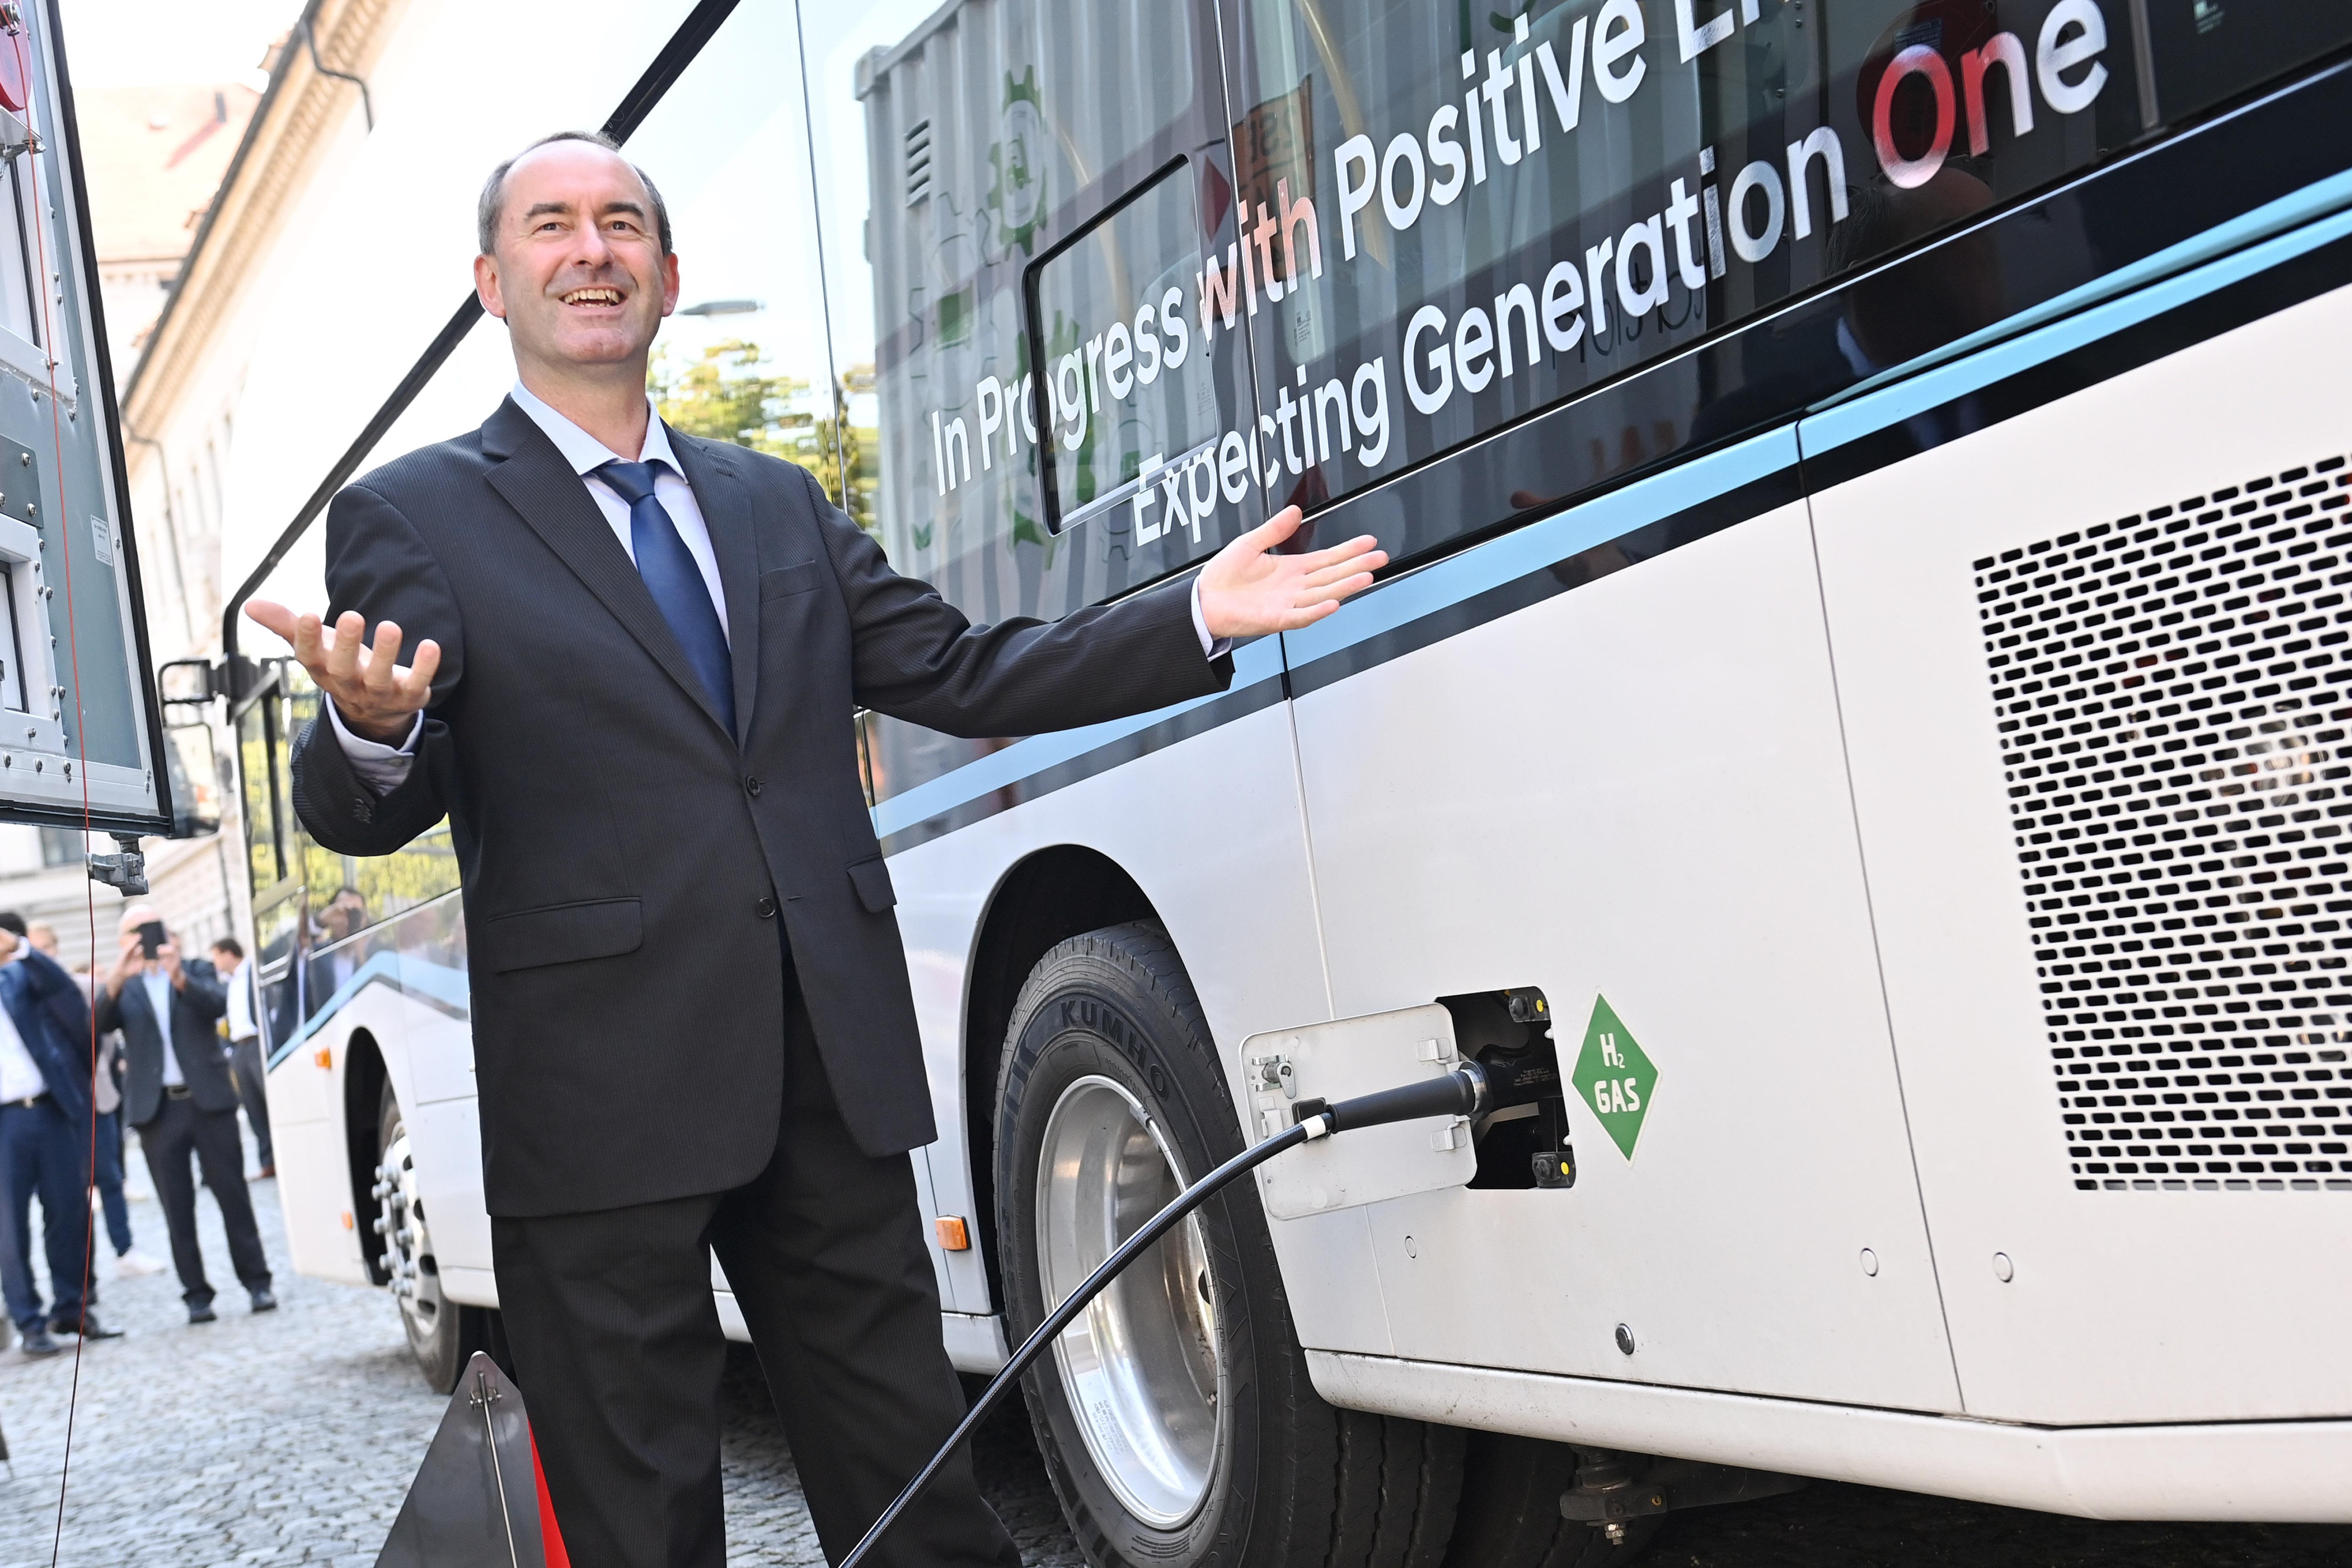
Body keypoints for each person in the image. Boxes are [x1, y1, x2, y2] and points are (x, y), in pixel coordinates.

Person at [246, 131, 1383, 1568]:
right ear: (493, 278)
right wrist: (366, 726)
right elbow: (369, 807)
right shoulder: (411, 513)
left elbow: (963, 670)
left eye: (619, 223)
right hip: (600, 1106)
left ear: (667, 276)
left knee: (918, 1498)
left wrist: (1194, 616)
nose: (588, 247)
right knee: (640, 1524)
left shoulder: (769, 499)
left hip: (823, 1081)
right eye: (550, 224)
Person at [95, 905, 276, 1323]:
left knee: (234, 1196)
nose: (146, 939)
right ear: (124, 941)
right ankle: (196, 1293)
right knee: (177, 1208)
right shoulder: (124, 984)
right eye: (134, 933)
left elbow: (217, 1005)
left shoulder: (195, 968)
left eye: (153, 930)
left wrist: (178, 976)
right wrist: (119, 975)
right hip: (158, 1111)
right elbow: (99, 1024)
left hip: (209, 1102)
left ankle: (257, 1281)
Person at [0, 911, 117, 1350]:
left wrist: (20, 946)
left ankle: (73, 1309)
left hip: (49, 1112)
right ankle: (29, 1324)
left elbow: (62, 990)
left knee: (70, 1212)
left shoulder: (16, 979)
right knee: (10, 1229)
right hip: (3, 1124)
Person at [210, 937, 273, 1179]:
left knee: (269, 1100)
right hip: (239, 1049)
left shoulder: (253, 971)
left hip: (257, 1043)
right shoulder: (228, 983)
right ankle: (268, 1162)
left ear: (228, 954)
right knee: (253, 1106)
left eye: (217, 956)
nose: (215, 963)